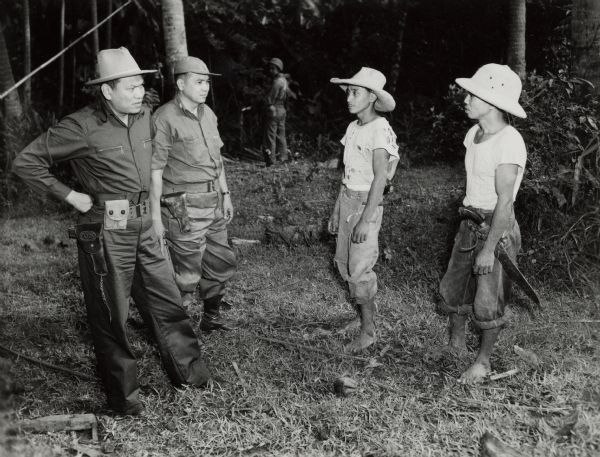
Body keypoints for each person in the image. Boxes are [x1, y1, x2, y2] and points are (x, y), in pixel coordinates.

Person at [12, 48, 211, 416]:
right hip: (106, 230)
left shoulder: (145, 118)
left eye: (142, 86)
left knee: (167, 305)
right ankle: (125, 401)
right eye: (132, 87)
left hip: (144, 226)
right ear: (107, 91)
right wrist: (71, 195)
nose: (141, 93)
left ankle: (193, 378)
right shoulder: (81, 126)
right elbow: (26, 161)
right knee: (111, 317)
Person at [439, 64, 527, 383]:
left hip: (495, 225)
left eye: (472, 94)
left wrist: (489, 249)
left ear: (491, 102)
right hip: (470, 218)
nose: (465, 99)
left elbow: (505, 201)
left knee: (488, 296)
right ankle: (456, 342)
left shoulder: (509, 141)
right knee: (456, 283)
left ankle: (483, 361)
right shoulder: (472, 134)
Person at [150, 56, 237, 332]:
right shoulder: (164, 118)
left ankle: (211, 317)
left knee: (219, 260)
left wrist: (226, 193)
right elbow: (155, 170)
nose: (205, 87)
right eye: (199, 82)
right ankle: (179, 332)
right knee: (186, 271)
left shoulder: (208, 114)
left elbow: (218, 158)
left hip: (213, 201)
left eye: (207, 82)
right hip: (183, 206)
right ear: (180, 83)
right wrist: (155, 218)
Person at [328, 67, 399, 352]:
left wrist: (365, 221)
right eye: (348, 92)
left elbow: (381, 178)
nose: (348, 97)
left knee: (360, 269)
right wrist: (336, 209)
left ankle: (369, 331)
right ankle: (361, 318)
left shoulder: (380, 128)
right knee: (344, 263)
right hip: (348, 200)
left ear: (371, 97)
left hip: (366, 205)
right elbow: (347, 174)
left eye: (355, 92)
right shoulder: (353, 127)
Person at [262, 57, 289, 166]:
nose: (270, 71)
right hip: (282, 109)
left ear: (277, 69)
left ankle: (270, 160)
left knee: (270, 136)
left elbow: (270, 98)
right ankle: (283, 158)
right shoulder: (284, 80)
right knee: (281, 135)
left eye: (272, 68)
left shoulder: (277, 82)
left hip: (275, 109)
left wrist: (268, 105)